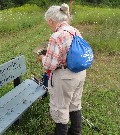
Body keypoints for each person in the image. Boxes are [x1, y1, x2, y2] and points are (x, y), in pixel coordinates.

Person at [38, 3, 86, 135]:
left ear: (51, 20)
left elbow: (50, 65)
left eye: (48, 22)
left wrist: (42, 58)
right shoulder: (75, 30)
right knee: (75, 102)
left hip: (65, 76)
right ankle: (76, 131)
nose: (49, 24)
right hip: (80, 72)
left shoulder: (56, 36)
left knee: (60, 107)